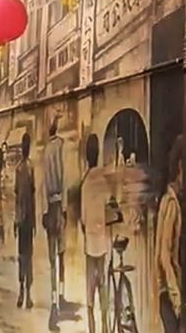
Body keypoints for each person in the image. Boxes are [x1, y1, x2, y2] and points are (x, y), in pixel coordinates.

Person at [80, 135, 109, 333]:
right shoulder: (103, 181)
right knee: (104, 284)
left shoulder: (85, 183)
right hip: (103, 240)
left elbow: (82, 218)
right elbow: (109, 206)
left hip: (90, 243)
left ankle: (92, 328)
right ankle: (106, 325)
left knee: (90, 290)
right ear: (98, 155)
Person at [156, 135, 183, 333]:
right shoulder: (172, 203)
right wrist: (177, 300)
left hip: (166, 291)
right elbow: (165, 255)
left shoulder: (168, 200)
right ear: (181, 167)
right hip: (168, 293)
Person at [43, 117, 66, 331]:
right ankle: (60, 294)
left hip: (49, 207)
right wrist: (65, 208)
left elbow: (43, 185)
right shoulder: (60, 147)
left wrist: (43, 210)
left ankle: (53, 300)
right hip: (59, 206)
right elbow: (65, 178)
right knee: (62, 253)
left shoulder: (45, 151)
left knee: (52, 257)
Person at [14, 133, 36, 309]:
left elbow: (17, 197)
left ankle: (23, 292)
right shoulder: (29, 168)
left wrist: (16, 219)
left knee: (23, 257)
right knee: (27, 257)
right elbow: (32, 196)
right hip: (26, 219)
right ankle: (25, 293)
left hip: (22, 219)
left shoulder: (19, 168)